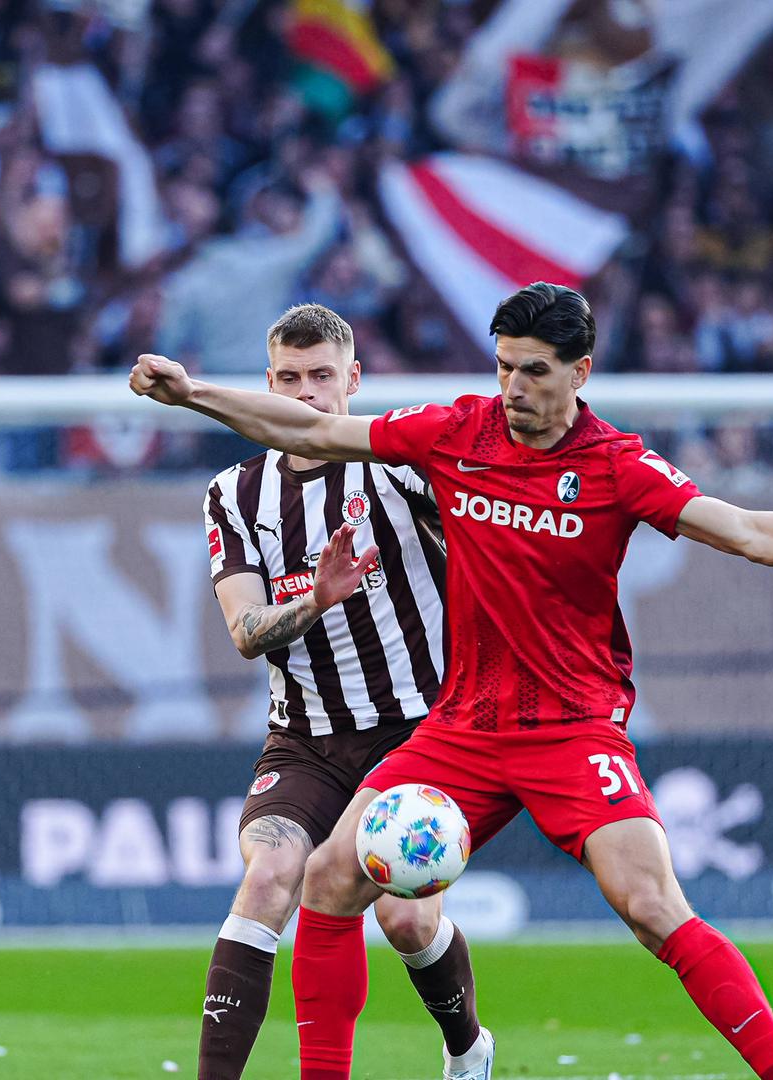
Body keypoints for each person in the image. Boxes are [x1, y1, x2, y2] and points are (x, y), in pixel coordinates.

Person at [135, 282, 773, 1080]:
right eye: (503, 367)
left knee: (650, 905)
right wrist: (194, 394)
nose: (513, 388)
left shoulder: (617, 466)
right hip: (460, 729)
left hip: (572, 728)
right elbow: (307, 433)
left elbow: (740, 527)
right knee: (327, 876)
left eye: (533, 370)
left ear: (580, 371)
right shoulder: (456, 432)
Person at [195, 303, 494, 1079]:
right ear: (267, 385)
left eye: (321, 377)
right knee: (266, 877)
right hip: (305, 740)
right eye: (288, 380)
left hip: (416, 734)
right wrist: (318, 601)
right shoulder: (232, 494)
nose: (306, 396)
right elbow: (245, 629)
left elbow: (487, 547)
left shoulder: (398, 469)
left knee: (403, 914)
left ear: (352, 379)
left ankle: (467, 1048)